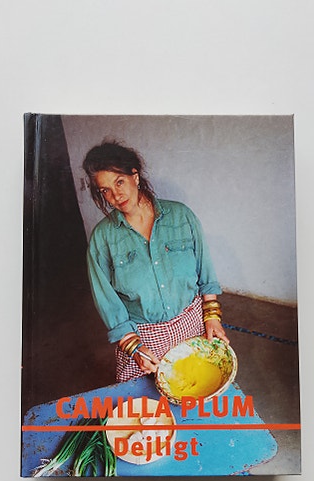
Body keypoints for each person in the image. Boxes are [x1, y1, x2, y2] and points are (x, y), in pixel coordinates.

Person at [83, 140, 229, 383]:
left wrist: (211, 316)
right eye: (105, 190)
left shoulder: (181, 216)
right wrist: (133, 347)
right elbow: (106, 299)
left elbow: (205, 270)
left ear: (135, 176)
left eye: (119, 182)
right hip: (142, 340)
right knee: (145, 404)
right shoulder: (103, 238)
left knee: (197, 388)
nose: (116, 195)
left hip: (191, 325)